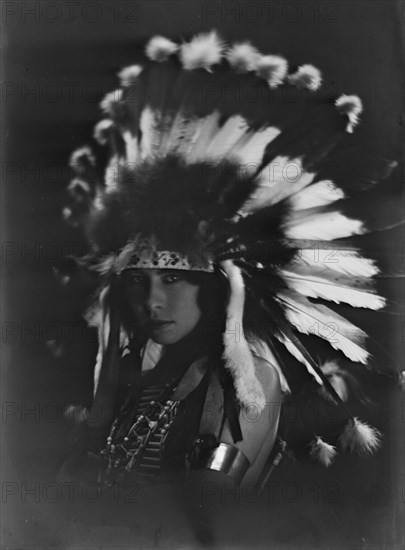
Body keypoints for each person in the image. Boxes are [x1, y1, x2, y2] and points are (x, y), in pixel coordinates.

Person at [58, 30, 398, 545]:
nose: (152, 300)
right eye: (139, 282)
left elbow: (205, 516)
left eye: (174, 279)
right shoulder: (144, 369)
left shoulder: (246, 380)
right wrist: (100, 411)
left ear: (218, 289)